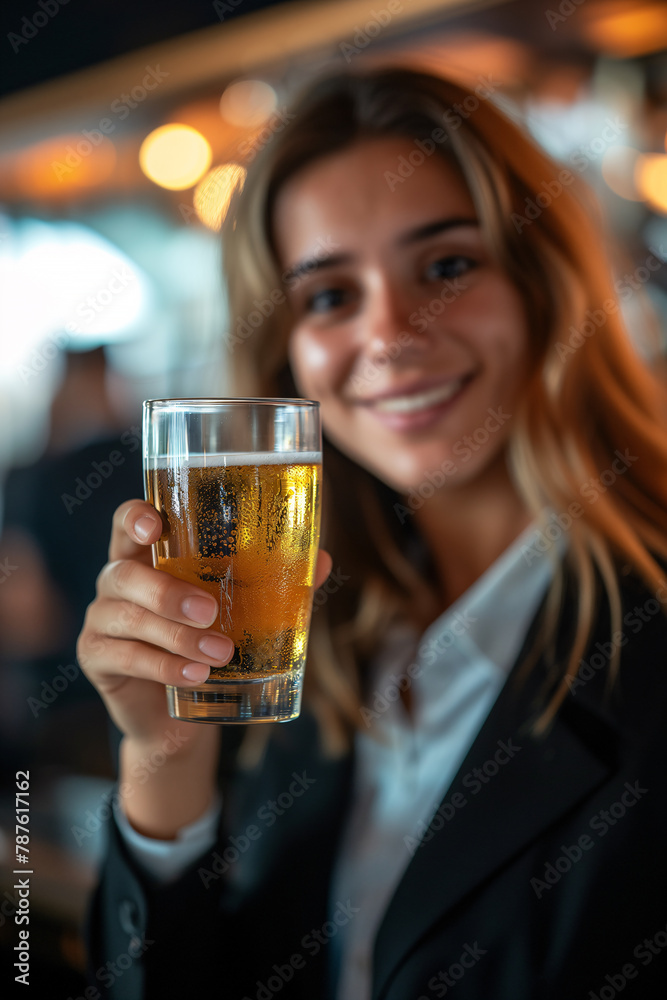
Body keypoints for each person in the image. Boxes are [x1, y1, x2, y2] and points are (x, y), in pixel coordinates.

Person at [79, 68, 667, 999]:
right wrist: (163, 762)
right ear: (289, 361)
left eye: (444, 266)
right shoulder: (294, 641)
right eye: (328, 297)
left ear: (543, 286)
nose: (388, 334)